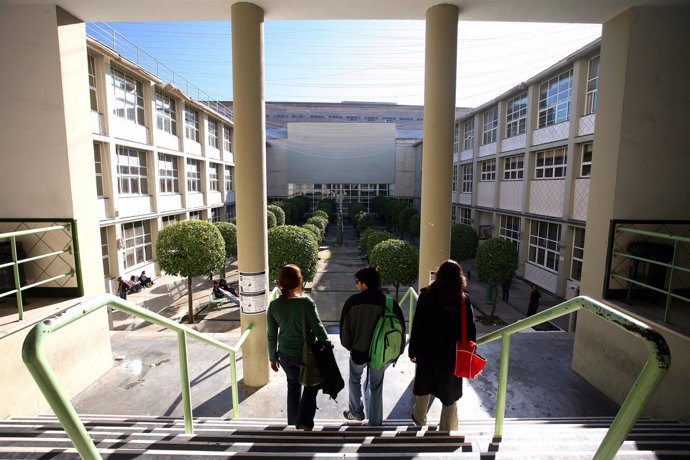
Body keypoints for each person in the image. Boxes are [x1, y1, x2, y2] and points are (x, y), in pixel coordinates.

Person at [408, 259, 476, 432]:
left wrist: (413, 349)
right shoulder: (463, 300)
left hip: (428, 351)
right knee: (449, 393)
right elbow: (470, 330)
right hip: (451, 355)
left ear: (438, 276)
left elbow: (418, 326)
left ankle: (419, 419)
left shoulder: (426, 295)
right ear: (459, 278)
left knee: (424, 384)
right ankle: (446, 428)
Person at [267, 264, 331, 430]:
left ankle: (292, 423)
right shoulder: (306, 303)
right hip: (307, 354)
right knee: (311, 385)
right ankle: (305, 422)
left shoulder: (274, 306)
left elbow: (272, 335)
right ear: (299, 282)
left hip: (285, 355)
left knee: (293, 387)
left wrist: (273, 357)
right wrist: (327, 345)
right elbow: (318, 327)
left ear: (281, 283)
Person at [339, 266, 405, 426]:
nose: (356, 286)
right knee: (376, 386)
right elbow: (401, 329)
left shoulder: (352, 302)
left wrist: (350, 346)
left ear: (364, 283)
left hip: (358, 351)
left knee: (354, 379)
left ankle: (356, 413)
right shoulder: (390, 303)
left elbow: (344, 331)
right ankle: (375, 423)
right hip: (381, 354)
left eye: (357, 282)